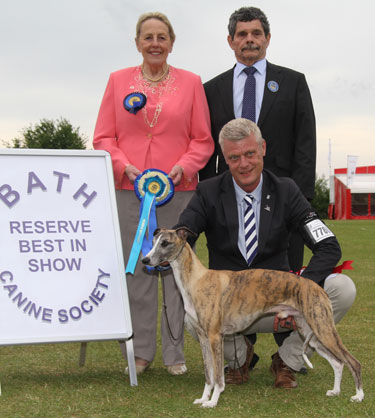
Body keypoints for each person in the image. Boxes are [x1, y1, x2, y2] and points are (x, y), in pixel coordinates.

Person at [176, 118, 356, 388]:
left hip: (280, 306)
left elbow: (329, 245)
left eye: (250, 154)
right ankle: (239, 359)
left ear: (263, 148)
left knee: (342, 288)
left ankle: (287, 360)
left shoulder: (287, 190)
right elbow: (182, 235)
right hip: (229, 308)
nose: (244, 164)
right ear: (225, 158)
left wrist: (301, 294)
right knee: (190, 314)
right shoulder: (208, 192)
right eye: (234, 157)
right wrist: (170, 243)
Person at [93, 12, 214, 376]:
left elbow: (203, 139)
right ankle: (141, 349)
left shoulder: (192, 83)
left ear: (172, 42)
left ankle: (175, 352)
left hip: (178, 191)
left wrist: (185, 167)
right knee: (140, 272)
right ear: (137, 43)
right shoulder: (117, 81)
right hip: (131, 191)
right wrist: (122, 165)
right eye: (148, 37)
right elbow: (103, 138)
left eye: (162, 37)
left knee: (180, 273)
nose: (155, 43)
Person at [200, 6, 316, 273]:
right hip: (230, 196)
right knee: (232, 282)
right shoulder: (210, 89)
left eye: (256, 33)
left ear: (267, 38)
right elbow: (208, 146)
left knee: (284, 282)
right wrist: (208, 197)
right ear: (231, 41)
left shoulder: (293, 82)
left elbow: (306, 143)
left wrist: (302, 197)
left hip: (282, 195)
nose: (249, 39)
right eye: (241, 34)